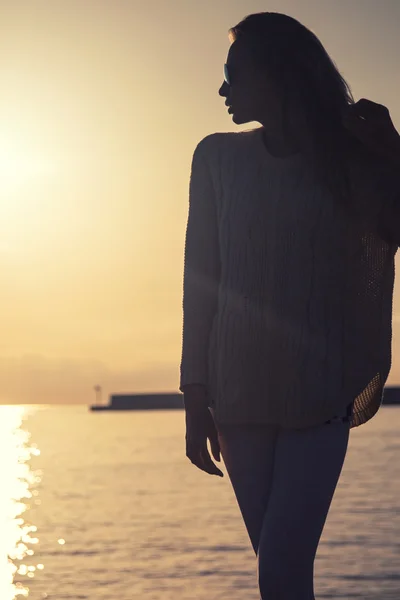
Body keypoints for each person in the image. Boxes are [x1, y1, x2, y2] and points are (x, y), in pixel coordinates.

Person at [179, 11, 400, 600]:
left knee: (279, 569)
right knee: (280, 575)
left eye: (235, 74)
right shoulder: (216, 159)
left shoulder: (352, 159)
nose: (223, 89)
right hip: (237, 397)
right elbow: (201, 280)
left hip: (321, 394)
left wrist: (393, 154)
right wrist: (194, 396)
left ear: (280, 76)